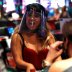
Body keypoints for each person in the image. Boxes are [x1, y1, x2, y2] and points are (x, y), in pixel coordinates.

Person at [11, 3, 58, 72]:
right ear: (25, 17)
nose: (32, 18)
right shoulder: (17, 37)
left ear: (42, 19)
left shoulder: (48, 36)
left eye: (36, 16)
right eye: (29, 15)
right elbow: (18, 60)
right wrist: (28, 65)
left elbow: (57, 57)